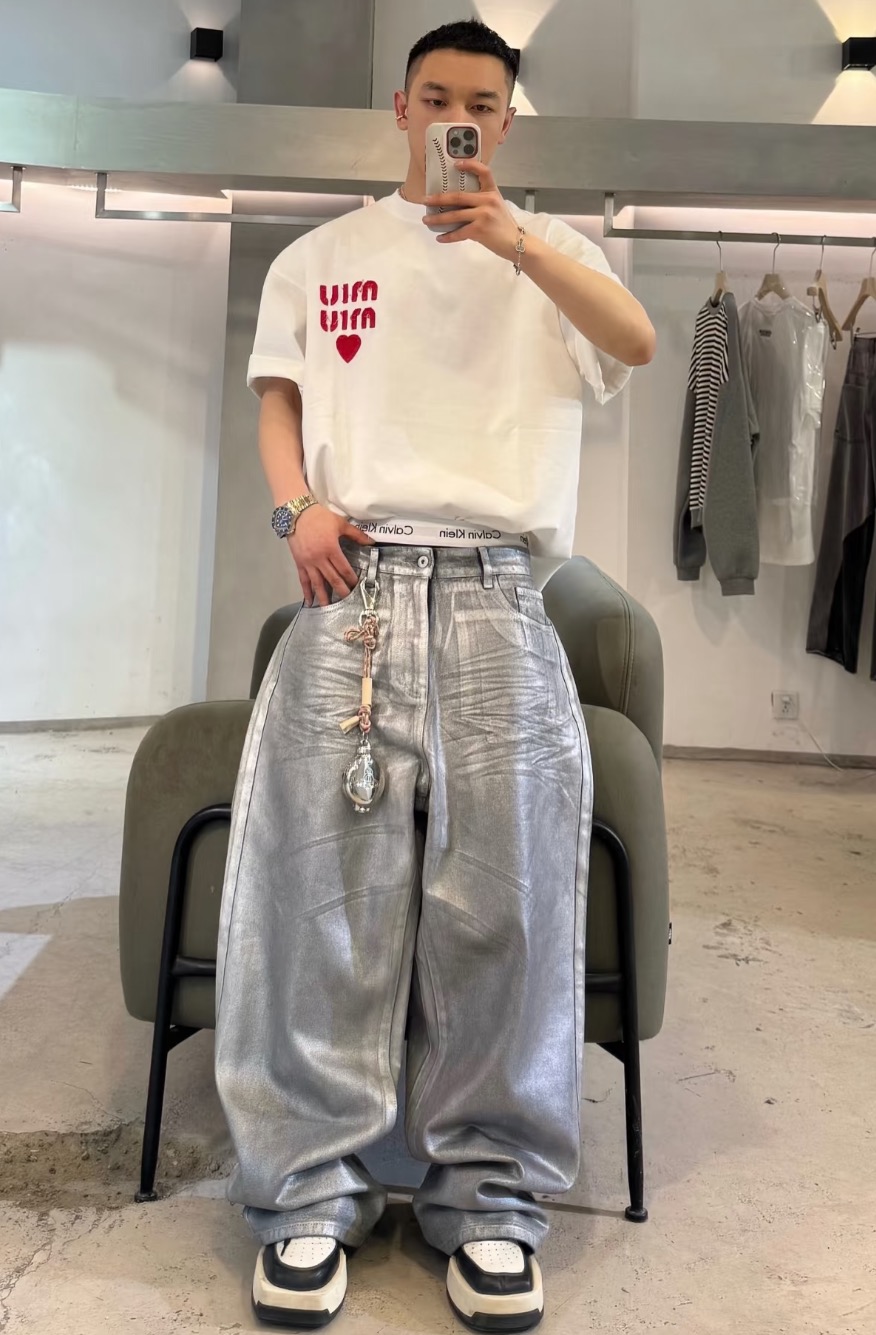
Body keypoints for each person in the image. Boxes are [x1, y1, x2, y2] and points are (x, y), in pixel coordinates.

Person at [214, 18, 655, 1333]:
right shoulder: (322, 255)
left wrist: (515, 239)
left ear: (507, 121)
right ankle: (308, 1191)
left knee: (504, 909)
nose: (460, 117)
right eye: (438, 96)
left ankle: (493, 1199)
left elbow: (634, 342)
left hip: (496, 592)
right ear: (402, 106)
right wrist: (295, 508)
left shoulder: (556, 254)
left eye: (484, 103)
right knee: (316, 905)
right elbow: (281, 395)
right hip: (351, 586)